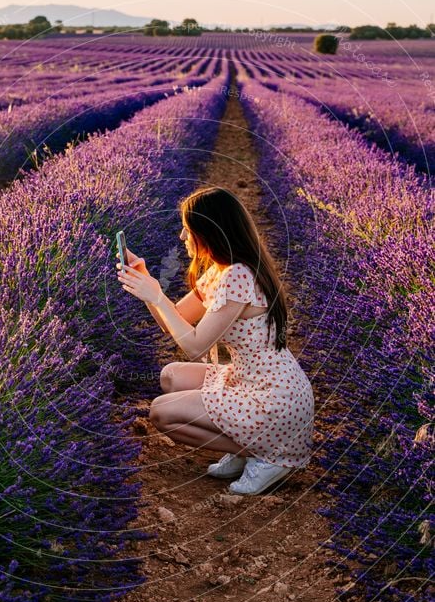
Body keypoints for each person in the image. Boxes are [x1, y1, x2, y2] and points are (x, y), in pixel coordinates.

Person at [116, 185, 314, 495]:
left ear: (209, 231)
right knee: (170, 376)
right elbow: (175, 322)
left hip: (275, 400)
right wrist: (148, 287)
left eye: (187, 229)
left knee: (161, 412)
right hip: (251, 381)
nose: (183, 237)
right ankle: (249, 446)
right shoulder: (222, 271)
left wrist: (155, 294)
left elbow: (194, 346)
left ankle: (268, 456)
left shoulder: (239, 275)